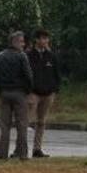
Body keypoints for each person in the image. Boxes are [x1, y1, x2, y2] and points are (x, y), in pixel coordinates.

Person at [0, 31, 33, 160]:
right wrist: (27, 91)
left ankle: (2, 154)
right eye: (21, 41)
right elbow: (28, 76)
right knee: (22, 124)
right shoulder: (22, 56)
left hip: (4, 93)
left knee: (5, 125)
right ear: (15, 42)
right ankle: (22, 154)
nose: (24, 44)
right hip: (19, 92)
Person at [27, 29, 60, 158]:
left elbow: (57, 74)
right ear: (36, 40)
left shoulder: (51, 56)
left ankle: (37, 149)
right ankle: (21, 148)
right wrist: (28, 89)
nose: (45, 41)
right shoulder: (29, 55)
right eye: (42, 38)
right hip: (33, 92)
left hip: (48, 93)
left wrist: (55, 90)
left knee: (41, 122)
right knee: (26, 120)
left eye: (46, 38)